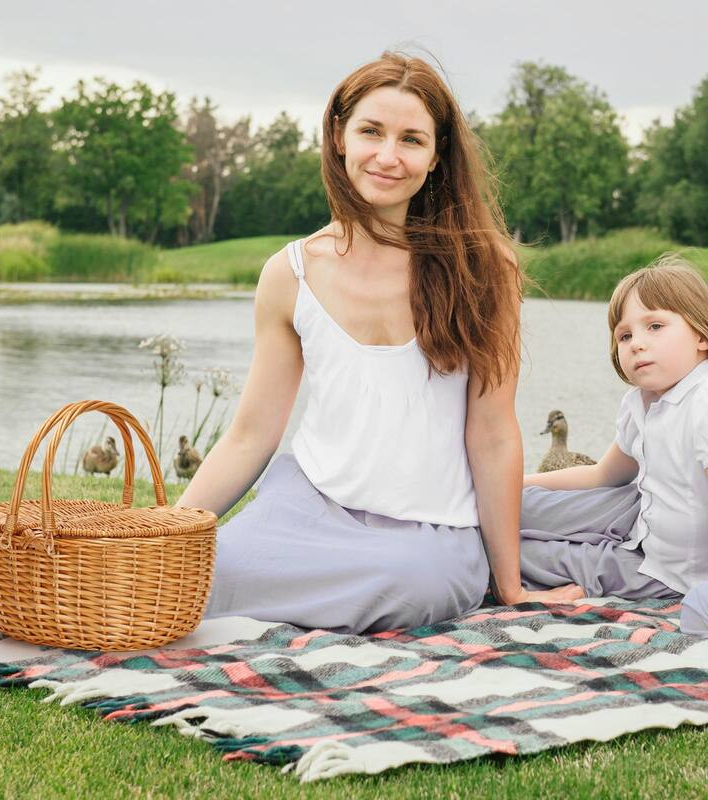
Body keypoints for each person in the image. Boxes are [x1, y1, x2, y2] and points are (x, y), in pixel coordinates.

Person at [177, 51, 581, 634]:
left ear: (436, 157)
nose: (387, 156)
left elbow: (492, 433)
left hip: (428, 535)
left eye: (411, 139)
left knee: (418, 585)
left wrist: (511, 585)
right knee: (202, 578)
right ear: (339, 135)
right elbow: (250, 436)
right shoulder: (289, 273)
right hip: (308, 511)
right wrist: (163, 532)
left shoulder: (485, 269)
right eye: (371, 131)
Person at [521, 256, 708, 635]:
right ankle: (474, 514)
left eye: (655, 326)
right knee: (517, 507)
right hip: (639, 515)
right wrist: (516, 484)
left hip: (670, 570)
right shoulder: (643, 400)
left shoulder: (702, 403)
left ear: (702, 335)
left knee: (532, 556)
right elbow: (604, 474)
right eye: (625, 335)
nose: (637, 343)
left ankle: (474, 558)